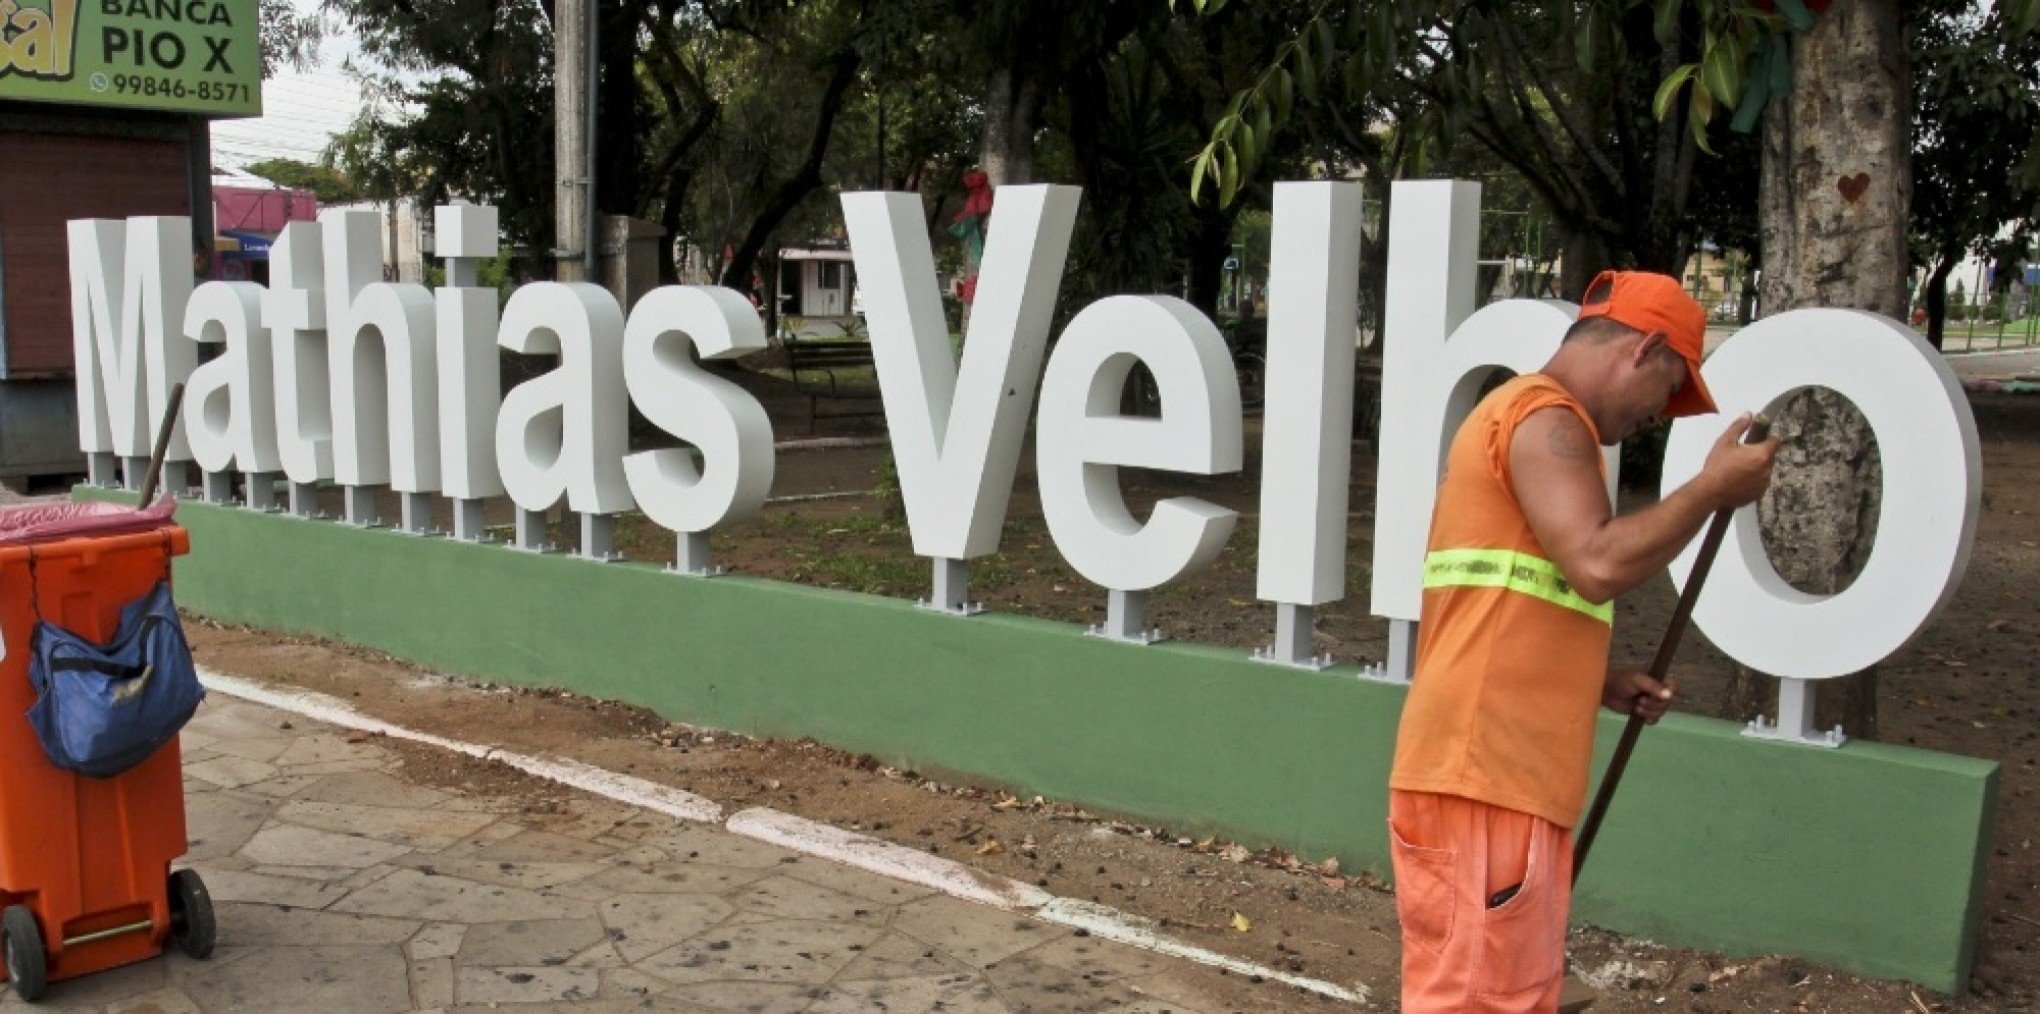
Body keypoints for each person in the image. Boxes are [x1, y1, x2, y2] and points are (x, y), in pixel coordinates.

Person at [1388, 270, 1779, 1012]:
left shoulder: (1519, 417)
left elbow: (1502, 603)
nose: (1658, 414)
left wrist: (1592, 680)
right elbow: (1597, 562)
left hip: (1481, 770)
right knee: (1483, 1000)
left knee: (1491, 993)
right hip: (1490, 775)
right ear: (1645, 348)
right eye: (1668, 388)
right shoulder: (1548, 418)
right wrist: (1709, 490)